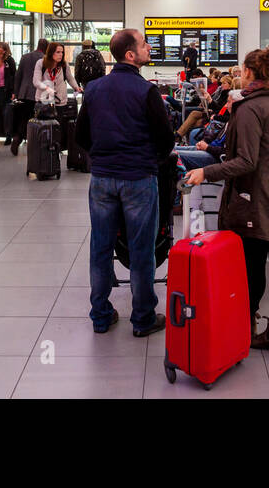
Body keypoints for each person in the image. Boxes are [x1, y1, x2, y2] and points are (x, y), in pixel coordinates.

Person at [183, 47, 269, 355]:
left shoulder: (250, 109)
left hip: (257, 198)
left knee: (253, 264)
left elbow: (246, 162)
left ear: (249, 72)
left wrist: (205, 172)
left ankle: (244, 326)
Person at [75, 29, 174, 337]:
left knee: (100, 248)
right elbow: (166, 139)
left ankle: (101, 315)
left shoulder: (93, 90)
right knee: (142, 249)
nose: (148, 48)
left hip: (102, 180)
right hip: (138, 180)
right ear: (130, 55)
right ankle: (143, 318)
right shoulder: (146, 92)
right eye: (144, 44)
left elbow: (80, 136)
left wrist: (103, 157)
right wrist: (148, 160)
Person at [10, 38, 49, 156]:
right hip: (38, 94)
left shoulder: (25, 57)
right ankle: (33, 143)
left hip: (24, 93)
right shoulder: (45, 59)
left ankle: (17, 137)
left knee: (23, 117)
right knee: (36, 120)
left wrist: (16, 92)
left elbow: (18, 76)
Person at [34, 42, 80, 107]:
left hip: (60, 101)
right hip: (44, 101)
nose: (61, 54)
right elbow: (36, 82)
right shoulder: (41, 63)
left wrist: (76, 87)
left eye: (62, 52)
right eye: (58, 52)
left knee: (60, 116)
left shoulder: (64, 65)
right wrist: (47, 88)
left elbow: (70, 78)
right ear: (51, 53)